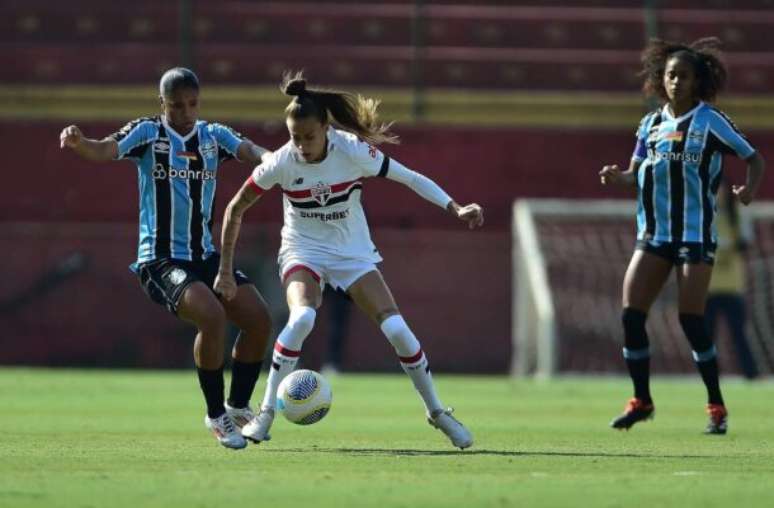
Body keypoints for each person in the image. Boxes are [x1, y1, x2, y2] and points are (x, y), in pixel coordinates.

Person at [214, 72, 484, 449]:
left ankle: (437, 412)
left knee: (397, 331)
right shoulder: (280, 162)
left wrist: (454, 207)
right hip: (302, 250)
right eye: (295, 137)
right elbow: (235, 207)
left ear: (325, 128)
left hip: (352, 253)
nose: (302, 145)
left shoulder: (353, 150)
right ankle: (266, 413)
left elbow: (409, 178)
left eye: (309, 136)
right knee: (303, 317)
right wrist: (225, 270)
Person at [59, 67, 273, 450]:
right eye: (176, 106)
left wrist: (275, 159)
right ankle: (216, 415)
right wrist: (80, 142)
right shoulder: (147, 133)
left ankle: (238, 405)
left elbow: (251, 151)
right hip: (159, 260)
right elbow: (105, 149)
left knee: (258, 320)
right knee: (211, 316)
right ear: (162, 103)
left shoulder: (213, 136)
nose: (185, 112)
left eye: (192, 104)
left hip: (204, 255)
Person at [599, 37, 765, 435]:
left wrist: (748, 190)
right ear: (662, 78)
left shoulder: (710, 121)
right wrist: (617, 175)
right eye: (671, 74)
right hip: (654, 234)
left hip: (694, 237)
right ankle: (641, 400)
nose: (676, 81)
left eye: (684, 76)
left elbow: (753, 158)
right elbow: (634, 171)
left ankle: (716, 406)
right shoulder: (650, 123)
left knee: (691, 321)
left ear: (697, 81)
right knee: (631, 315)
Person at [705, 179, 759, 379]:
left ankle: (750, 374)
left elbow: (745, 244)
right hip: (707, 287)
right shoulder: (702, 217)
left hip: (732, 287)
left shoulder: (736, 216)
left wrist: (728, 246)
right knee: (707, 336)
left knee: (739, 335)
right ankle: (709, 375)